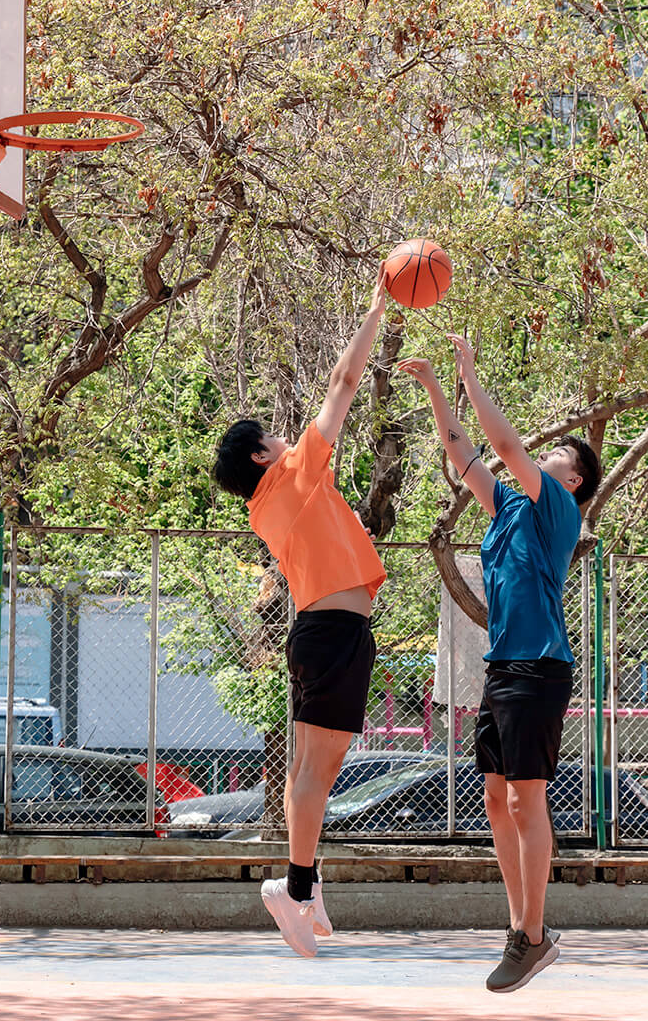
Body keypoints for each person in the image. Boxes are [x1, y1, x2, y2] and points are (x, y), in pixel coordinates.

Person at [398, 334, 600, 993]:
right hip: (503, 668)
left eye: (560, 456)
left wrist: (469, 372)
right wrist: (434, 387)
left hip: (539, 668)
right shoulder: (510, 508)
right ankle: (521, 929)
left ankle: (533, 934)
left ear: (573, 481)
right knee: (494, 799)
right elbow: (467, 456)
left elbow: (507, 449)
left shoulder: (558, 509)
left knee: (523, 798)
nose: (548, 454)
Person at [211, 281, 390, 958]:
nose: (287, 436)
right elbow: (344, 383)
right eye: (273, 436)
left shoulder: (269, 505)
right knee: (315, 771)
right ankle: (293, 888)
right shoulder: (293, 477)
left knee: (315, 769)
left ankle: (304, 883)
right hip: (331, 633)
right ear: (263, 455)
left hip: (333, 633)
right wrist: (375, 307)